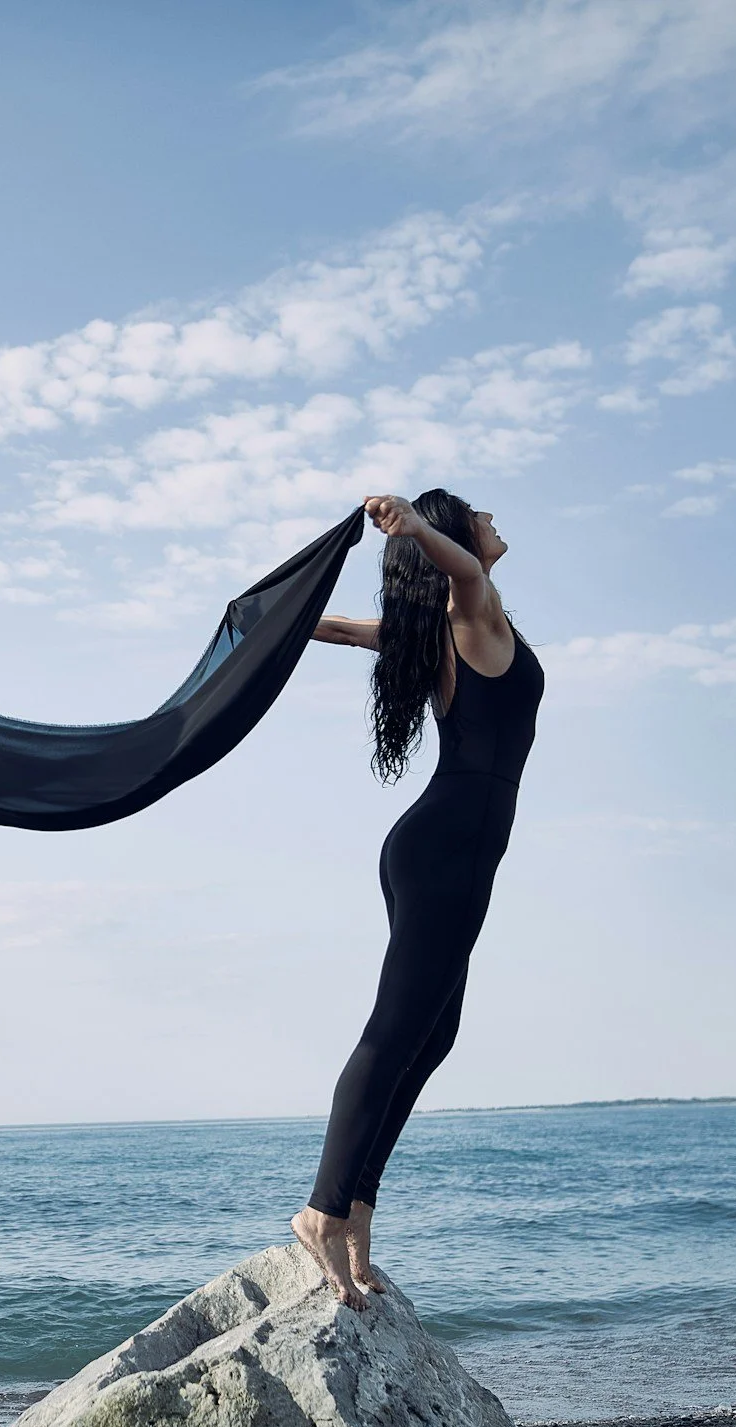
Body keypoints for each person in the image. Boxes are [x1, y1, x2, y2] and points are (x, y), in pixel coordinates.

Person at [290, 489, 544, 1309]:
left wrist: (281, 620)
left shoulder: (442, 630)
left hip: (445, 847)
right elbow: (464, 568)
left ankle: (357, 1204)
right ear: (453, 536)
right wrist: (414, 524)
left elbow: (333, 630)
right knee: (396, 1031)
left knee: (432, 1035)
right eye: (478, 512)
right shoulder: (476, 609)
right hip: (447, 848)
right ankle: (320, 1211)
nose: (495, 516)